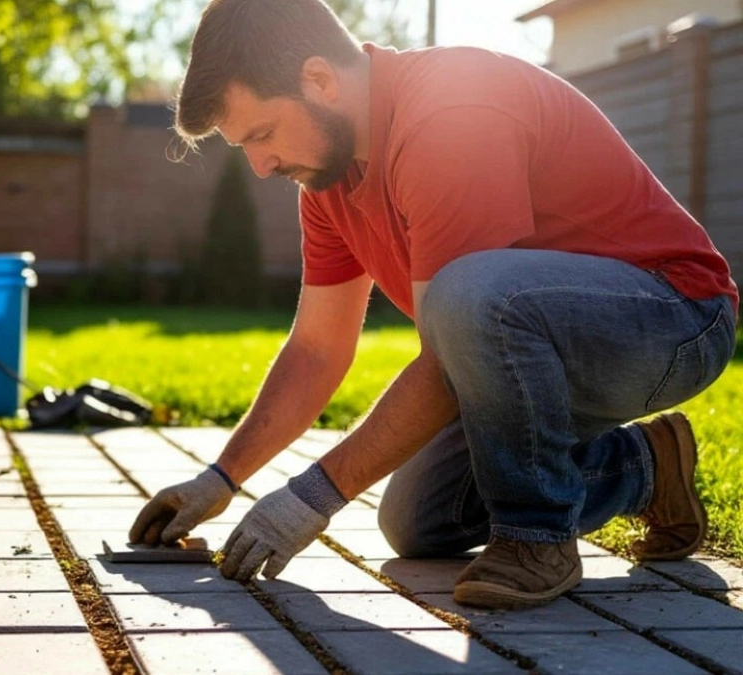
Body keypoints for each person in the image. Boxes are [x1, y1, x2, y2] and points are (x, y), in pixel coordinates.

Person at [128, 0, 738, 611]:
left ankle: (537, 537)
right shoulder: (328, 176)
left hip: (672, 318)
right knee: (421, 520)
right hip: (534, 341)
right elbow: (318, 348)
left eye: (261, 133)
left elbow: (457, 340)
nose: (260, 166)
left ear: (319, 79)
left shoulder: (450, 112)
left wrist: (310, 497)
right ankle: (645, 469)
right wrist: (222, 478)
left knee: (467, 291)